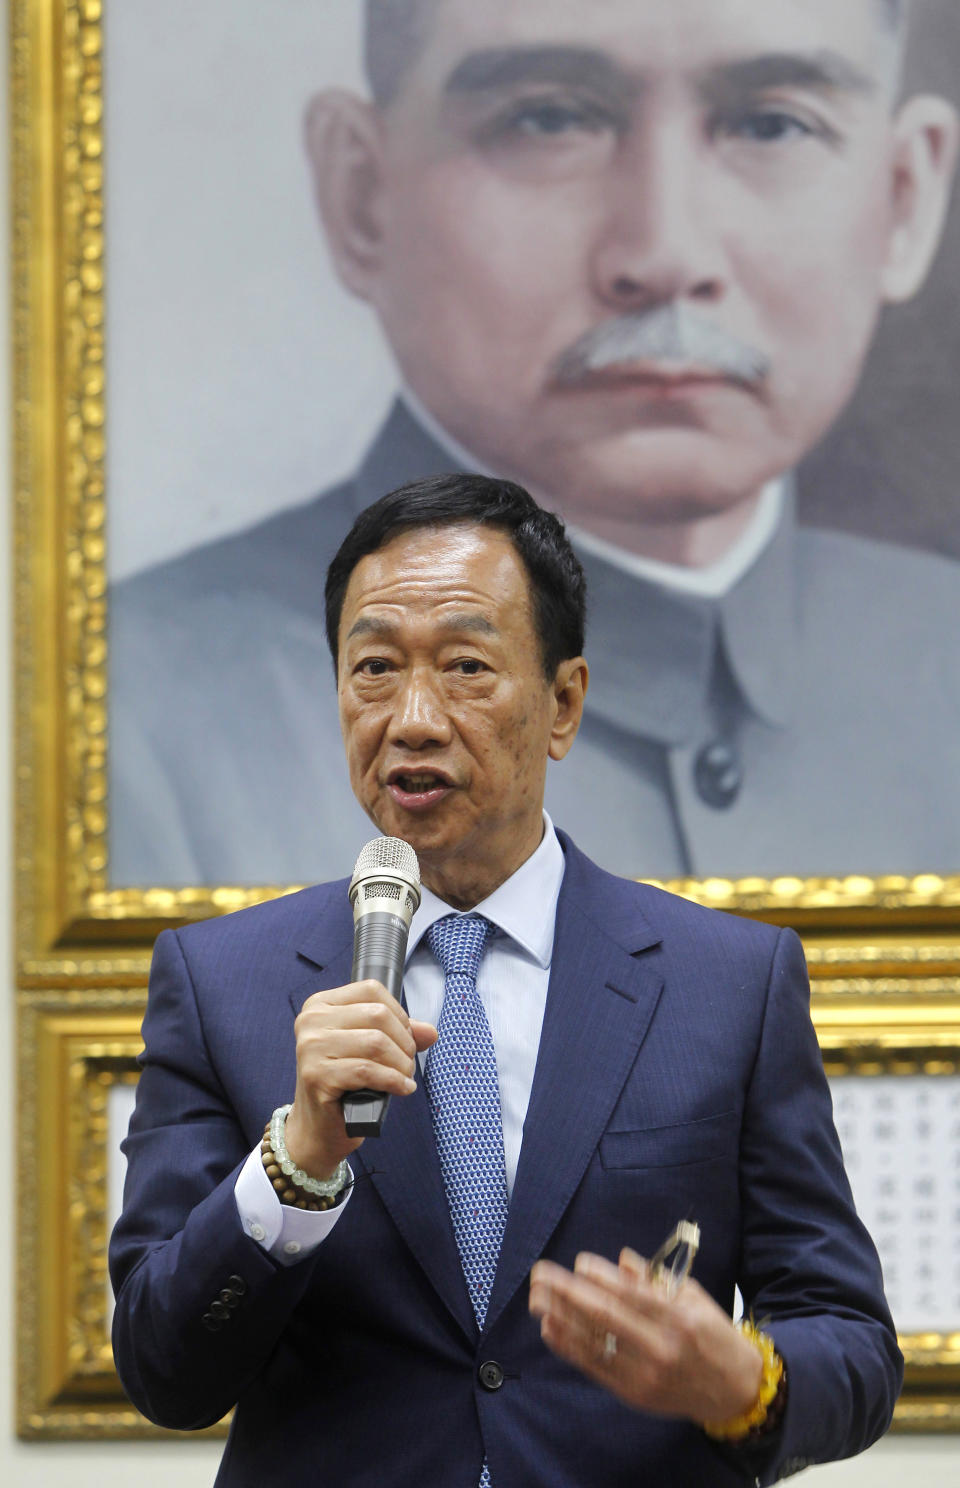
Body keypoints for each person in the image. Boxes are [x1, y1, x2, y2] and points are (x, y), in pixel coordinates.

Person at [110, 474, 902, 1486]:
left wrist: (743, 1380)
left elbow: (853, 1344)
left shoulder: (729, 983)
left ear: (563, 702)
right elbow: (163, 1369)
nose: (413, 720)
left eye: (467, 667)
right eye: (376, 670)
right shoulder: (220, 983)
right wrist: (296, 1165)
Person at [109, 0, 960, 887]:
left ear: (904, 197)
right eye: (548, 119)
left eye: (772, 125)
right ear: (363, 195)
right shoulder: (122, 731)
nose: (665, 252)